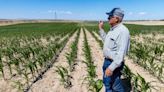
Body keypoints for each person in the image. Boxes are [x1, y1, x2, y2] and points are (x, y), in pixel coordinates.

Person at [98, 8, 130, 92]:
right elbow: (106, 41)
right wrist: (101, 29)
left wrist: (111, 68)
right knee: (107, 83)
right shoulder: (113, 30)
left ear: (116, 19)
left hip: (113, 63)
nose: (108, 18)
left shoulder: (123, 31)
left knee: (115, 87)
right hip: (107, 61)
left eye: (110, 17)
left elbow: (121, 53)